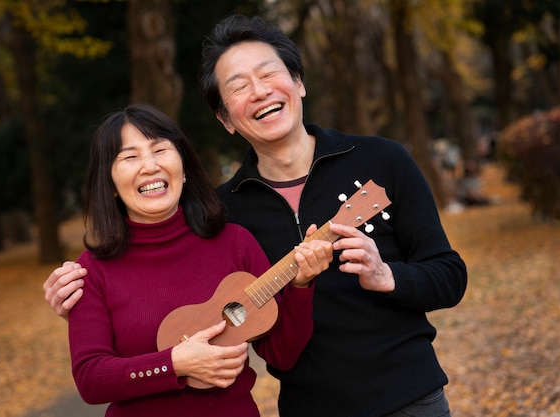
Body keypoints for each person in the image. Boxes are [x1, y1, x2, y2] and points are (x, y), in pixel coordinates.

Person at [45, 15, 468, 417]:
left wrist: (387, 276)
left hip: (410, 396)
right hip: (309, 408)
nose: (260, 91)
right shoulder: (224, 213)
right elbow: (159, 296)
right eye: (239, 86)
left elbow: (449, 275)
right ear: (225, 118)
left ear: (298, 82)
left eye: (268, 74)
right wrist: (86, 305)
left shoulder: (381, 161)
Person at [57, 103, 332, 417]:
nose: (150, 166)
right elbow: (92, 380)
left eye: (160, 150)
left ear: (183, 166)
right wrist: (174, 364)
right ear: (110, 182)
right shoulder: (91, 270)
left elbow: (282, 355)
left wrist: (302, 285)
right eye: (130, 157)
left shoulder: (235, 243)